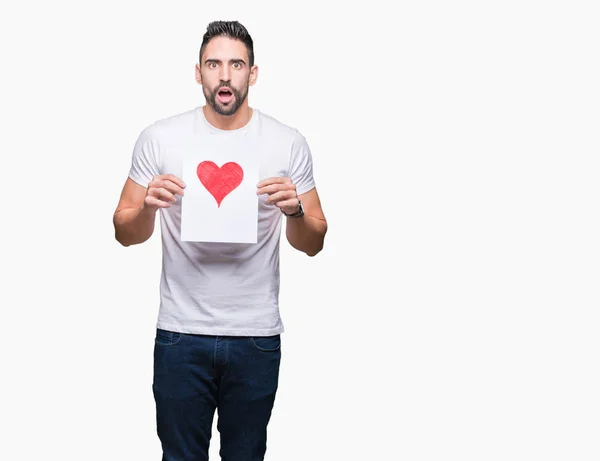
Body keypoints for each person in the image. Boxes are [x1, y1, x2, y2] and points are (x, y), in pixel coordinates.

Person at [112, 20, 327, 461]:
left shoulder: (286, 143)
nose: (224, 75)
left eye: (236, 64)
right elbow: (123, 230)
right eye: (214, 64)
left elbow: (314, 241)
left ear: (253, 73)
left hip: (255, 336)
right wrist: (149, 206)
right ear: (198, 73)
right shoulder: (160, 138)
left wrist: (295, 211)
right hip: (179, 334)